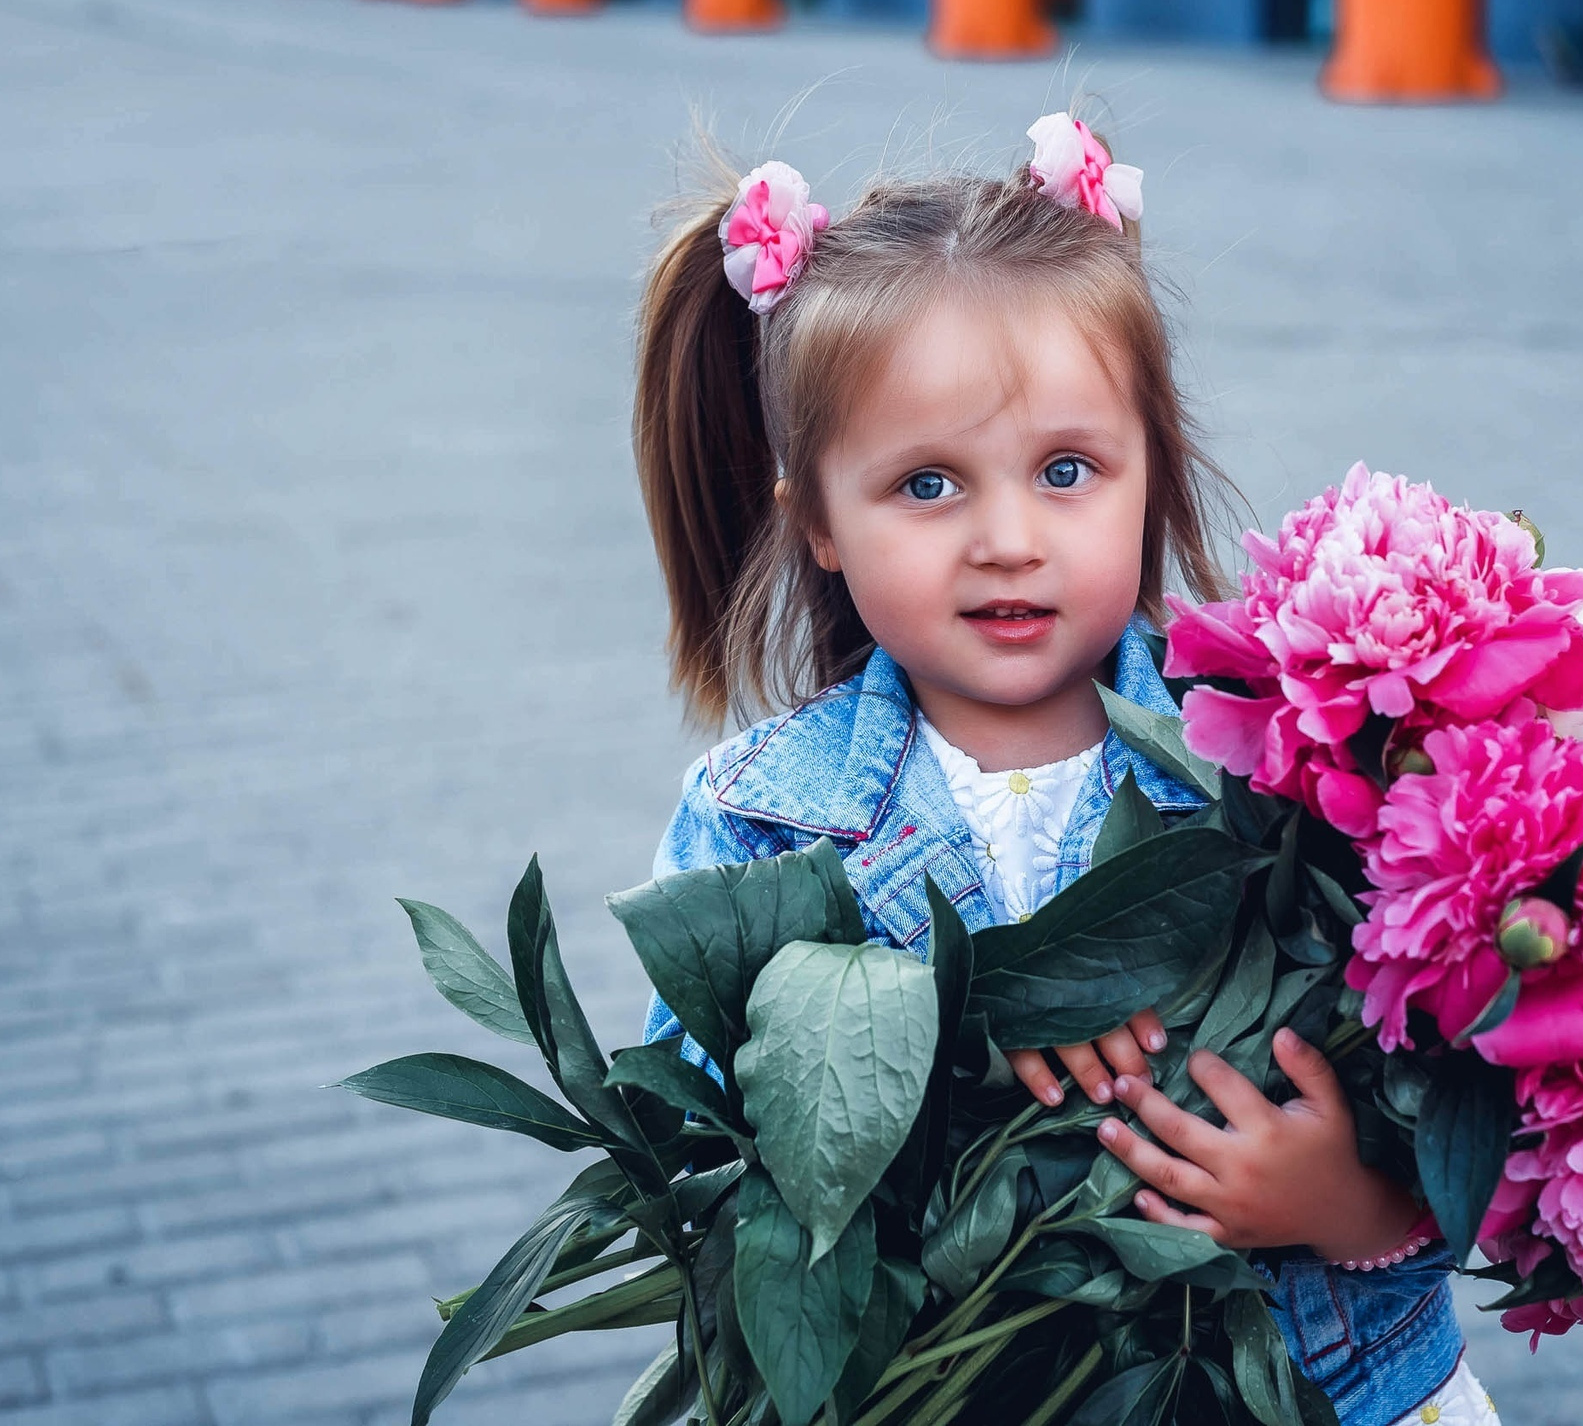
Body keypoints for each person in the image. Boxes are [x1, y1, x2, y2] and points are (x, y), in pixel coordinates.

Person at [631, 115, 1496, 1425]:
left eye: (1068, 470)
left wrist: (1351, 1205)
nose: (1008, 539)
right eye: (928, 485)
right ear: (816, 520)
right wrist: (955, 1027)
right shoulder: (759, 822)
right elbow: (692, 1170)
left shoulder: (1291, 757)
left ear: (1151, 472)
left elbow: (1457, 1097)